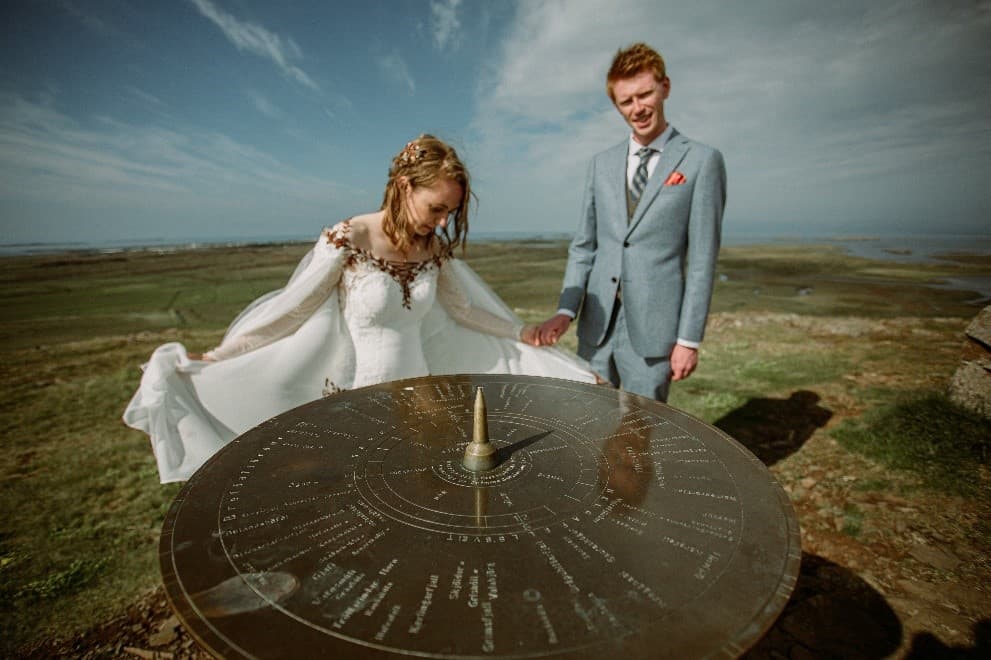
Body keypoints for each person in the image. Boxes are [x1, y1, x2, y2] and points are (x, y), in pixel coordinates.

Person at [124, 134, 596, 483]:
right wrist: (222, 355)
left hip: (423, 393)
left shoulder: (434, 250)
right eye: (436, 208)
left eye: (451, 211)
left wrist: (523, 333)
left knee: (425, 486)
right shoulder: (348, 238)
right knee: (366, 489)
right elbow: (292, 312)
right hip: (361, 394)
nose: (444, 221)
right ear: (406, 186)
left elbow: (465, 312)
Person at [537, 43, 726, 402]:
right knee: (589, 425)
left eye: (645, 95)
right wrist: (566, 310)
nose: (637, 109)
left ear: (665, 88)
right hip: (596, 327)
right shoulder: (600, 164)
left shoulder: (702, 161)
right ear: (616, 105)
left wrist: (688, 340)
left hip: (655, 335)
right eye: (626, 101)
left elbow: (703, 261)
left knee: (641, 435)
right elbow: (584, 246)